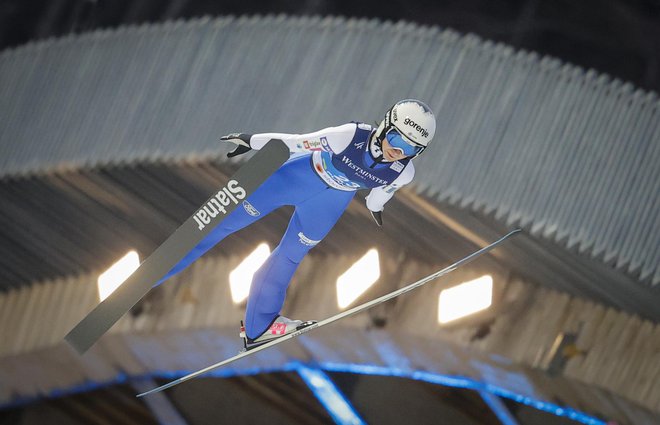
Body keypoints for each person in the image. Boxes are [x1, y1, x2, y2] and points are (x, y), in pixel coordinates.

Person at [162, 99, 436, 349]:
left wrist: (376, 209)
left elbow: (382, 193)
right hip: (299, 177)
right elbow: (296, 142)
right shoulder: (349, 136)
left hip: (329, 203)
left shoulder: (403, 172)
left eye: (411, 148)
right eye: (396, 138)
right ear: (385, 125)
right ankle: (160, 268)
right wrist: (251, 141)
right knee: (227, 223)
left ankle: (259, 327)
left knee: (290, 256)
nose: (397, 151)